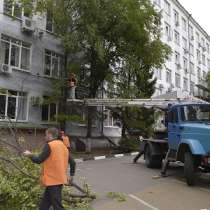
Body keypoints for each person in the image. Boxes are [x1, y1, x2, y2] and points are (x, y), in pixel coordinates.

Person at [23, 128, 69, 210]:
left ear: (50, 135)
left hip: (53, 180)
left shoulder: (50, 145)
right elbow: (72, 162)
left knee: (57, 206)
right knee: (44, 205)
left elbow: (39, 160)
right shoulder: (63, 145)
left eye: (46, 135)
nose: (45, 137)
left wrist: (30, 155)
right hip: (59, 179)